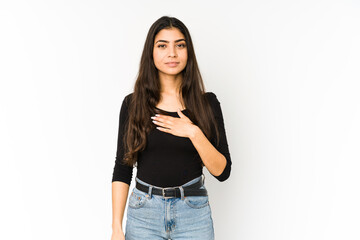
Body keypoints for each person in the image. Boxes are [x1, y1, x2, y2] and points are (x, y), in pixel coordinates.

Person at [111, 16, 232, 240]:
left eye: (180, 45)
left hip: (193, 213)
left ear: (188, 51)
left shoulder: (207, 104)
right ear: (152, 52)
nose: (172, 53)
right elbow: (122, 168)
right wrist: (116, 228)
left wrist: (193, 132)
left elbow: (222, 171)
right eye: (163, 45)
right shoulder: (133, 104)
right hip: (143, 213)